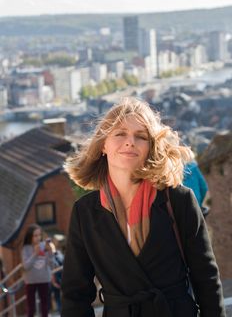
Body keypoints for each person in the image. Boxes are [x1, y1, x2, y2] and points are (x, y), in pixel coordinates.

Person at [61, 97, 225, 317]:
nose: (130, 142)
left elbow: (206, 279)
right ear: (103, 146)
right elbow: (75, 294)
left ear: (150, 148)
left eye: (141, 136)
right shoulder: (85, 212)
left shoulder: (178, 200)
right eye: (120, 133)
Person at [21, 224, 54, 317]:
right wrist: (35, 253)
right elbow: (26, 266)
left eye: (39, 235)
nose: (38, 238)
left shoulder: (44, 245)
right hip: (30, 281)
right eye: (35, 235)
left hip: (44, 279)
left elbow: (51, 265)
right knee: (31, 308)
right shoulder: (26, 248)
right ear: (30, 236)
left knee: (45, 306)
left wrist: (50, 252)